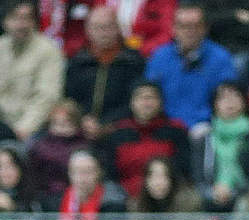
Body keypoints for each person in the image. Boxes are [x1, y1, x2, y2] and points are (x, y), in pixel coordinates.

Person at [0, 0, 65, 140]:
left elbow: (47, 98)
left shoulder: (49, 52)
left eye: (27, 18)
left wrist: (24, 128)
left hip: (30, 130)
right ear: (5, 20)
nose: (21, 24)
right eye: (15, 17)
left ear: (35, 22)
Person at [142, 2, 237, 133]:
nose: (189, 32)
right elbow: (148, 94)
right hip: (165, 128)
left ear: (205, 28)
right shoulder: (159, 57)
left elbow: (228, 99)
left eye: (195, 26)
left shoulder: (220, 58)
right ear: (173, 28)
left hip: (206, 128)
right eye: (183, 26)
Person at [64, 6, 146, 136]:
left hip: (121, 128)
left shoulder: (133, 61)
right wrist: (83, 119)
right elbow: (69, 98)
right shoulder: (78, 62)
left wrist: (107, 124)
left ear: (118, 29)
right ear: (87, 30)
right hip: (80, 128)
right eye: (97, 27)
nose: (103, 32)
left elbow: (133, 100)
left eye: (108, 27)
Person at [100, 81, 190, 198]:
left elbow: (182, 170)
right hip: (125, 197)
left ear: (161, 103)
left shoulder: (176, 130)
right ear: (131, 103)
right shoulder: (117, 132)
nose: (146, 103)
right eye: (140, 98)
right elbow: (110, 172)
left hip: (168, 195)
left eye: (151, 97)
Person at [189, 81, 249, 212]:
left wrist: (232, 191)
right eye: (223, 97)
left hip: (244, 196)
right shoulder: (204, 139)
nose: (230, 102)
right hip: (209, 196)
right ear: (214, 104)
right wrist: (213, 192)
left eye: (235, 96)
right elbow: (197, 177)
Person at [125, 155, 203, 220]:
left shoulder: (189, 205)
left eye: (163, 176)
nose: (157, 182)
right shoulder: (136, 207)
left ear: (172, 179)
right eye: (152, 176)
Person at [27, 98, 90, 200]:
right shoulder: (39, 146)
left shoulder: (84, 147)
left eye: (66, 123)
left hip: (74, 197)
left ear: (76, 124)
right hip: (43, 196)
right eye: (56, 123)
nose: (61, 129)